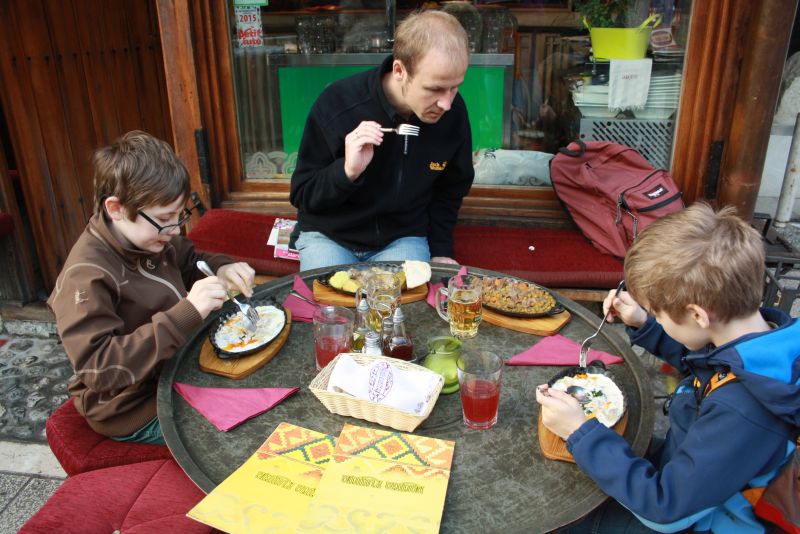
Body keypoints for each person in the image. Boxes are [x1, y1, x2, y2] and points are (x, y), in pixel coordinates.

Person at [536, 203, 800, 533]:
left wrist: (580, 432)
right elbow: (711, 361)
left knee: (559, 514)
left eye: (660, 314)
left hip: (697, 519)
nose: (658, 319)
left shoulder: (745, 409)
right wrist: (646, 322)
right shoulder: (763, 343)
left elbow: (665, 509)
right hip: (693, 468)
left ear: (699, 316)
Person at [47, 131, 255, 445]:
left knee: (257, 386)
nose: (174, 230)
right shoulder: (85, 276)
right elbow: (99, 369)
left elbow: (190, 259)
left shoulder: (149, 238)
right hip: (133, 407)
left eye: (179, 216)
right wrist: (184, 315)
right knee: (241, 433)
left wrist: (223, 267)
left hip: (174, 371)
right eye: (164, 219)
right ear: (116, 208)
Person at [289, 10, 474, 271]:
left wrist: (442, 250)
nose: (446, 103)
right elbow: (302, 194)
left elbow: (450, 191)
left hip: (402, 238)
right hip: (329, 237)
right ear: (399, 70)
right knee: (332, 309)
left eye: (455, 87)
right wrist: (346, 172)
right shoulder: (338, 102)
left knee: (403, 309)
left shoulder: (453, 114)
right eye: (434, 89)